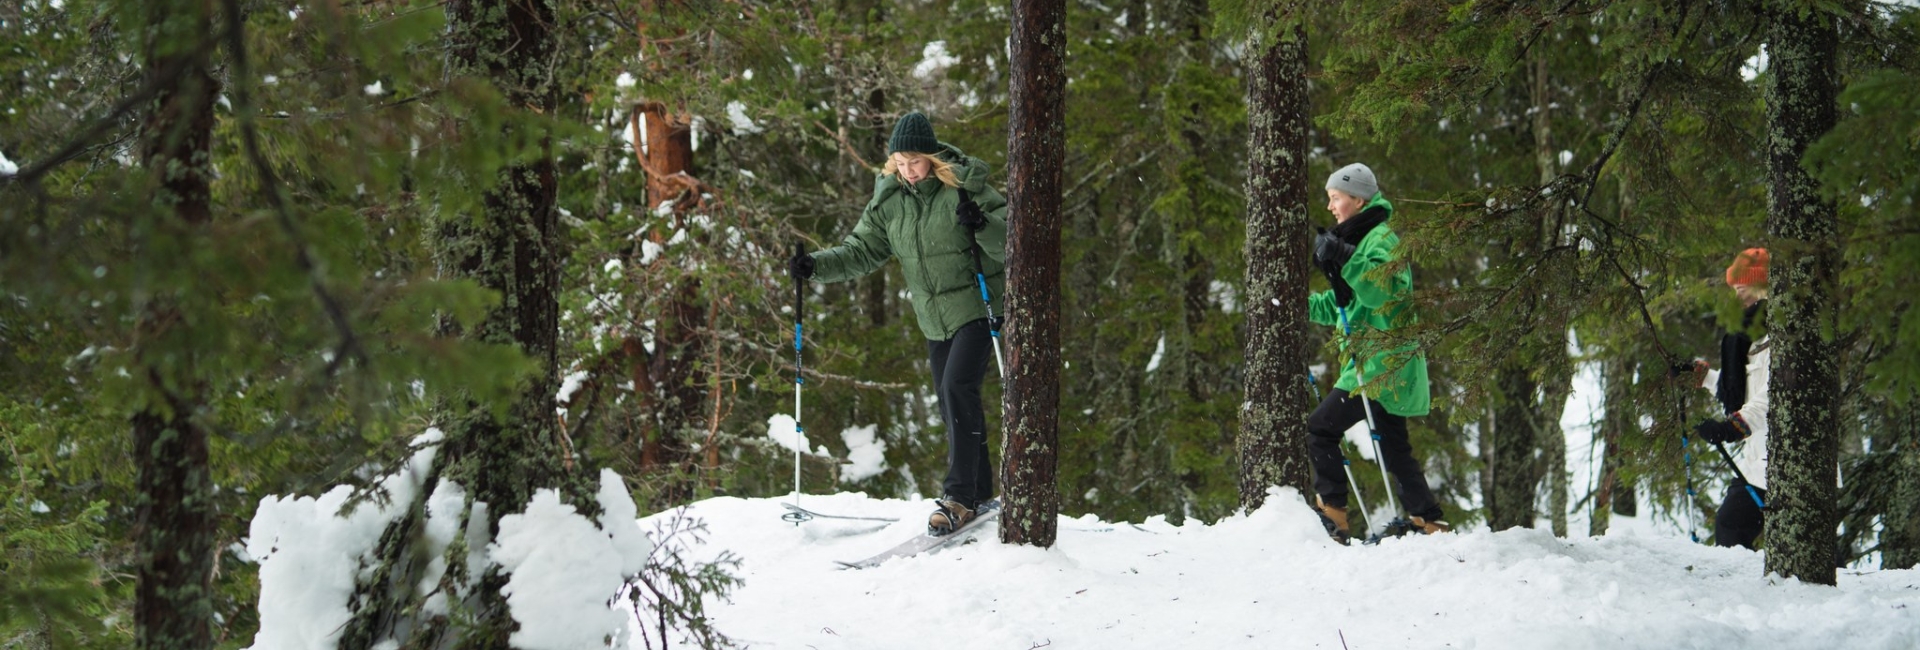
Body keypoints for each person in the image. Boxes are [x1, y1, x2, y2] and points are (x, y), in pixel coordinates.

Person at [786, 112, 1008, 536]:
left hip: (978, 305)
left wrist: (981, 224)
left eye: (915, 162)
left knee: (956, 387)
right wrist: (814, 266)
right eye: (900, 164)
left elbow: (1008, 242)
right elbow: (861, 249)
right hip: (933, 317)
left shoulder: (965, 187)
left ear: (931, 156)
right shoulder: (890, 200)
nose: (908, 171)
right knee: (950, 401)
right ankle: (979, 489)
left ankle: (958, 496)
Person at [1305, 162, 1446, 544]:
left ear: (1358, 199)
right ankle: (1427, 521)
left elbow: (1387, 297)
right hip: (1380, 363)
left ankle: (1333, 514)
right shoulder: (1362, 238)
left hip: (1380, 364)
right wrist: (1299, 305)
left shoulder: (1379, 239)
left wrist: (1346, 259)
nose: (1332, 207)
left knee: (1321, 427)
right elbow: (1346, 306)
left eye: (1336, 198)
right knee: (1394, 448)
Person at [1687, 248, 1771, 550]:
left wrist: (1732, 427)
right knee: (1730, 527)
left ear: (1764, 285)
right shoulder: (1749, 338)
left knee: (1810, 545)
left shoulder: (1782, 335)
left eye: (1743, 289)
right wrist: (1701, 376)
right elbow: (1744, 387)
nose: (1738, 298)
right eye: (1735, 291)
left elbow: (1770, 396)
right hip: (1760, 462)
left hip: (1790, 460)